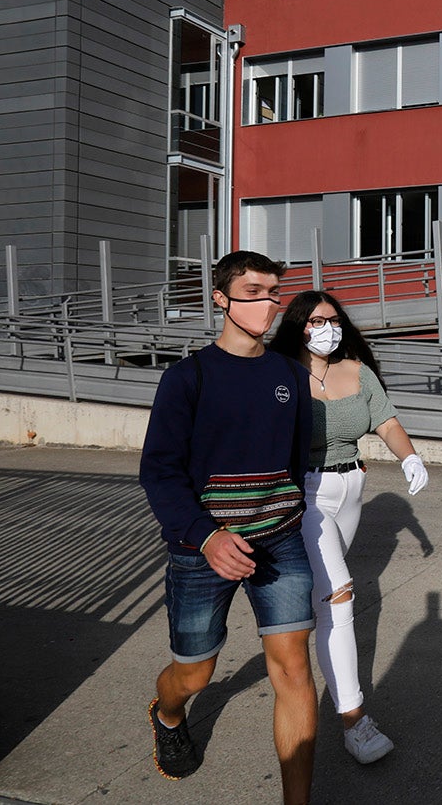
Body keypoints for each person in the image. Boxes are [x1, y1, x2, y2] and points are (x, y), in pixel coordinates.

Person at [140, 251, 317, 804]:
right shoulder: (186, 377)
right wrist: (207, 536)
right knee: (194, 675)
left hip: (279, 542)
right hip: (202, 550)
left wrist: (288, 515)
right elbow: (159, 471)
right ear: (221, 299)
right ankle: (168, 716)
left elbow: (294, 461)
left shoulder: (291, 373)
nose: (269, 304)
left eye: (273, 293)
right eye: (254, 292)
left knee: (293, 669)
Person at [267, 289, 428, 764]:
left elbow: (386, 421)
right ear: (298, 325)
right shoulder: (280, 374)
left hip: (350, 488)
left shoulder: (357, 370)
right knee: (339, 593)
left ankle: (306, 661)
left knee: (323, 603)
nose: (328, 328)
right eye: (317, 321)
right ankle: (355, 722)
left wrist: (410, 456)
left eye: (334, 320)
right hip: (306, 493)